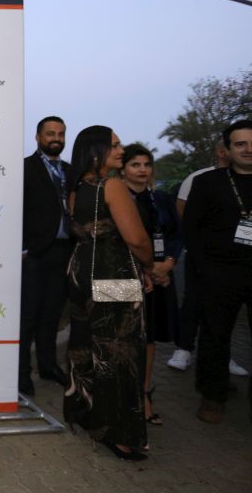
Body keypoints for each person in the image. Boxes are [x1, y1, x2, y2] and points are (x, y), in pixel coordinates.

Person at [63, 126, 154, 461]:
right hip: (112, 273)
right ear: (96, 150)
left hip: (81, 272)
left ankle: (86, 412)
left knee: (87, 345)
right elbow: (137, 239)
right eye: (114, 145)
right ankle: (119, 434)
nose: (121, 150)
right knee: (119, 353)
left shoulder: (76, 188)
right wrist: (151, 266)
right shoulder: (111, 185)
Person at [183, 119, 252, 424]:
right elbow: (191, 229)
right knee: (215, 336)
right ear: (227, 149)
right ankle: (212, 395)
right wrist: (204, 269)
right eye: (241, 144)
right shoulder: (208, 183)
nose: (248, 149)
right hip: (220, 273)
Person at [168, 141, 249, 377]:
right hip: (203, 255)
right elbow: (182, 213)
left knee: (227, 310)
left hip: (241, 259)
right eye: (239, 145)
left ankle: (223, 356)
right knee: (193, 302)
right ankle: (184, 349)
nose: (246, 150)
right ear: (222, 152)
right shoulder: (200, 178)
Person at [120, 144, 182, 426]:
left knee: (149, 337)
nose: (142, 170)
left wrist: (168, 264)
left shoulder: (162, 198)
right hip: (124, 278)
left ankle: (143, 395)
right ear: (123, 169)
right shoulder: (116, 199)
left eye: (146, 164)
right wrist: (146, 268)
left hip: (160, 278)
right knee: (122, 337)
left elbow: (176, 235)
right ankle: (120, 398)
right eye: (135, 164)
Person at [20, 116, 73, 395]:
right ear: (38, 137)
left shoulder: (71, 171)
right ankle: (21, 374)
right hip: (34, 254)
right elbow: (15, 210)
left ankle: (48, 365)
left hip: (64, 252)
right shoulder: (24, 168)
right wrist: (22, 249)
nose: (56, 138)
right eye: (50, 133)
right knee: (28, 316)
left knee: (52, 314)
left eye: (61, 134)